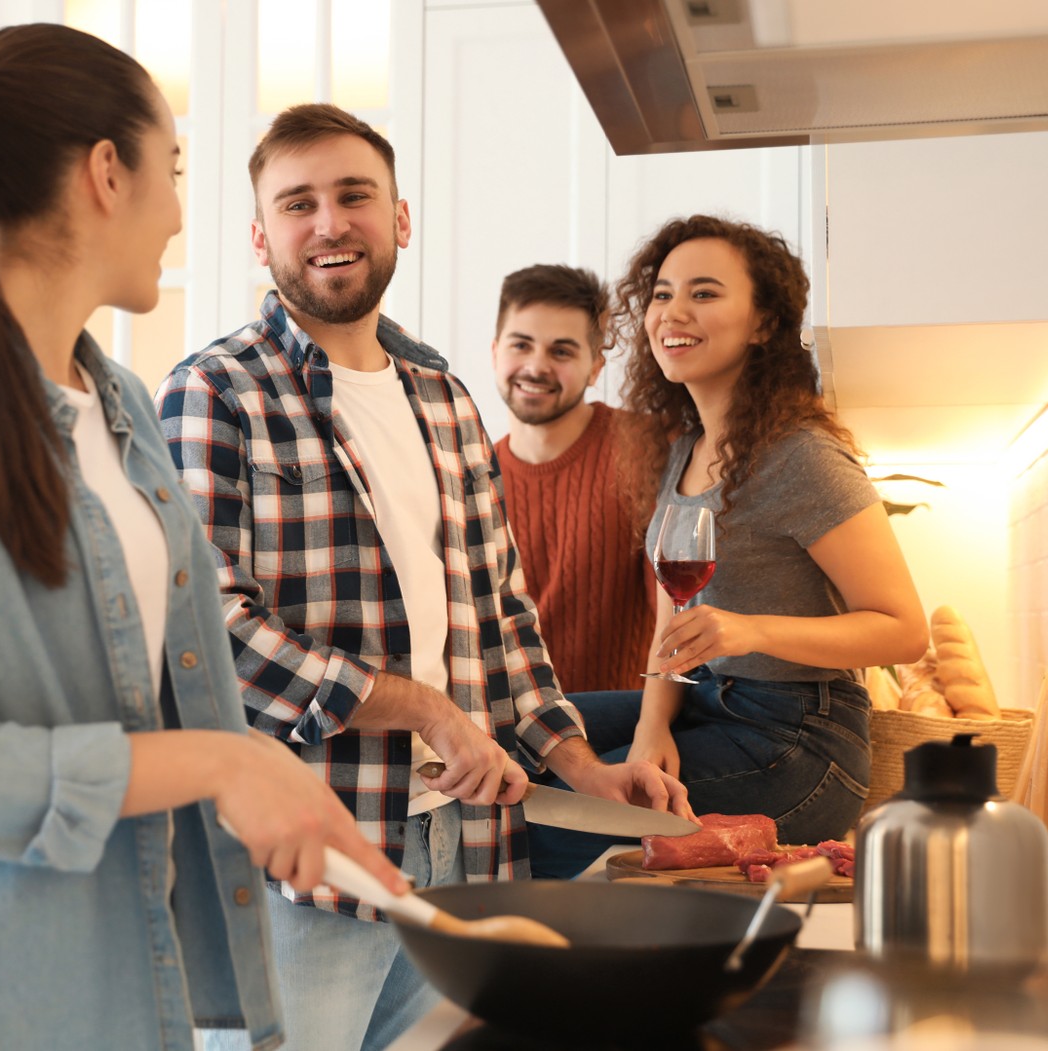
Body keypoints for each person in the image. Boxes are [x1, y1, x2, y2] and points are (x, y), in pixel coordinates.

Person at [0, 27, 404, 1051]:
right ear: (105, 174)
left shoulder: (118, 400)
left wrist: (286, 794)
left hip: (124, 986)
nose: (178, 212)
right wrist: (225, 764)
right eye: (170, 171)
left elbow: (174, 690)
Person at [156, 104, 690, 1051]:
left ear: (400, 218)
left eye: (355, 196)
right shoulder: (213, 391)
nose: (329, 223)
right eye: (299, 203)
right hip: (314, 852)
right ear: (259, 236)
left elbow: (500, 614)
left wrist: (582, 767)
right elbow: (208, 630)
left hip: (467, 846)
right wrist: (426, 710)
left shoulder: (443, 397)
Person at [530, 215, 928, 879]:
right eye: (661, 293)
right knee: (529, 734)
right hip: (708, 703)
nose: (673, 311)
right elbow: (673, 603)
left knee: (545, 816)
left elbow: (904, 630)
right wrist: (653, 723)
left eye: (705, 293)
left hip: (800, 742)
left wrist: (747, 630)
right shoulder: (687, 446)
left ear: (765, 322)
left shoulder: (798, 456)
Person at [489, 263, 656, 692]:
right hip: (510, 741)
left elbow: (679, 613)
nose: (536, 367)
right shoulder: (469, 478)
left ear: (595, 368)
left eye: (561, 351)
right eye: (521, 345)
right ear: (495, 352)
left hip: (626, 733)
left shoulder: (649, 447)